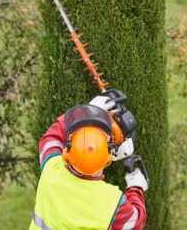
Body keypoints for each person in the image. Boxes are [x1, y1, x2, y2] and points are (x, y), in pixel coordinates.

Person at [29, 96, 148, 230]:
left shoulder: (52, 171)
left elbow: (51, 137)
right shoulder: (111, 202)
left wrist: (85, 112)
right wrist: (135, 186)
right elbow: (136, 221)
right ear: (108, 158)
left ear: (67, 151)